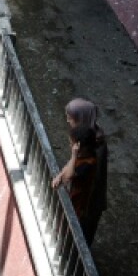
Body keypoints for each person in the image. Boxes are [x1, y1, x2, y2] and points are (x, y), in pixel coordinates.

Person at [52, 98, 109, 245]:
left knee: (79, 237)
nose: (68, 121)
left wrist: (68, 173)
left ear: (81, 118)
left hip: (88, 199)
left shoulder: (95, 145)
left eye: (71, 118)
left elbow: (87, 175)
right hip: (80, 194)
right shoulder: (84, 136)